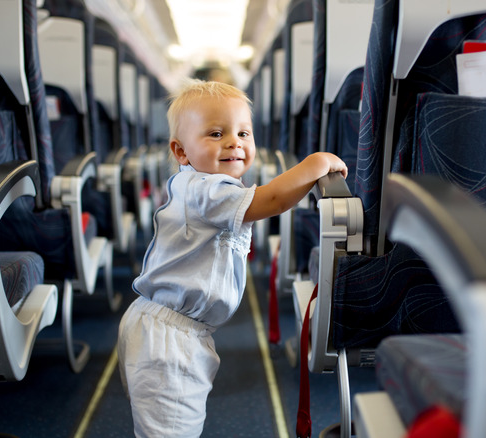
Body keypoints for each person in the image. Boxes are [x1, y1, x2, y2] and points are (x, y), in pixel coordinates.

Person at [117, 79, 348, 437]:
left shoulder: (200, 184)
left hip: (170, 330)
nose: (234, 142)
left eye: (244, 133)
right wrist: (315, 164)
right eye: (215, 134)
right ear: (181, 151)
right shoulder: (207, 189)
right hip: (169, 340)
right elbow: (271, 201)